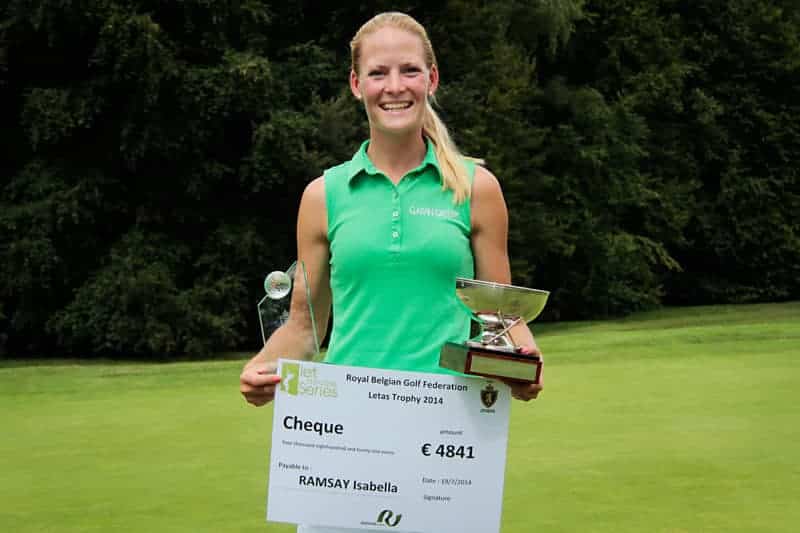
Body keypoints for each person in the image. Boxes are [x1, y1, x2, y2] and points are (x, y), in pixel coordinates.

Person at [239, 11, 544, 532]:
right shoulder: (322, 196)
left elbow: (500, 316)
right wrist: (262, 368)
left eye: (409, 70)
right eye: (378, 73)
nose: (395, 86)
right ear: (356, 84)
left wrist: (522, 361)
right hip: (347, 438)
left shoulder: (476, 188)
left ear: (432, 78)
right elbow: (305, 326)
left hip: (447, 439)